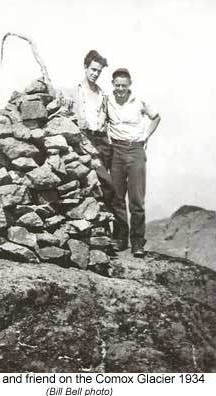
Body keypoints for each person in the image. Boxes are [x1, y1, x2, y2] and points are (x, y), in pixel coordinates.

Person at [108, 68, 161, 256]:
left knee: (137, 199)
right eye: (117, 85)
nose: (120, 88)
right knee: (117, 197)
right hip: (116, 150)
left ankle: (138, 242)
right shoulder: (108, 100)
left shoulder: (139, 100)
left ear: (130, 84)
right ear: (112, 85)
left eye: (124, 85)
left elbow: (156, 117)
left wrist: (145, 136)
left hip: (136, 150)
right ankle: (120, 238)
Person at [59, 50, 114, 209]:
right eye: (93, 69)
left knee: (104, 188)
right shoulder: (73, 92)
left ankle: (105, 228)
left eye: (99, 71)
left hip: (102, 142)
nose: (96, 74)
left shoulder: (103, 95)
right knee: (104, 183)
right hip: (86, 140)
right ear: (85, 67)